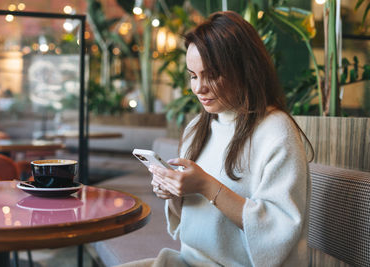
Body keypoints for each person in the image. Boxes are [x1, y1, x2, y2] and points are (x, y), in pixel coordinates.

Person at [121, 10, 312, 267]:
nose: (199, 88)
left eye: (211, 74)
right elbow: (190, 222)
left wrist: (206, 186)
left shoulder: (276, 131)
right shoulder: (197, 128)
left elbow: (278, 229)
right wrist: (174, 191)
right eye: (193, 75)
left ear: (244, 69)